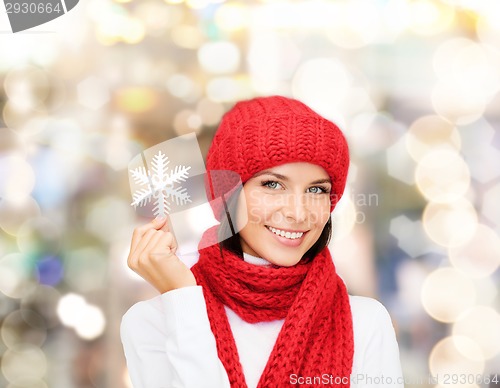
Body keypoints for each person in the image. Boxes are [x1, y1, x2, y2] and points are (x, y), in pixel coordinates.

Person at [121, 96, 403, 388]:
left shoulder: (366, 323)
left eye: (317, 190)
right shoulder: (153, 322)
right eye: (273, 184)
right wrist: (181, 298)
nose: (297, 212)